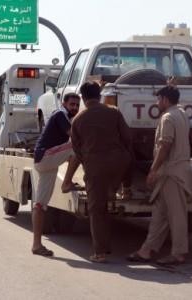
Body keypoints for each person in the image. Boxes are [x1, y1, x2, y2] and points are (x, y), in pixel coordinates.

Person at [128, 85, 192, 265]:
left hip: (171, 173)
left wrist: (153, 170)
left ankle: (178, 253)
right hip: (174, 171)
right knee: (160, 214)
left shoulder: (168, 117)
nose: (156, 102)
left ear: (165, 100)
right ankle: (147, 250)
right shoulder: (182, 113)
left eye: (158, 99)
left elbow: (165, 145)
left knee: (176, 214)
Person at [71, 81, 132, 263]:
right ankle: (126, 187)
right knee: (130, 155)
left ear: (83, 97)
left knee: (97, 209)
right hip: (119, 163)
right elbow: (128, 138)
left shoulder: (78, 120)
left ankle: (100, 252)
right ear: (99, 96)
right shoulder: (114, 111)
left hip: (95, 166)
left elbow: (77, 150)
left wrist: (90, 164)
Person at [32, 93, 81, 257]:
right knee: (77, 147)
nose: (74, 107)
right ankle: (67, 182)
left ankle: (36, 245)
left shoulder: (67, 117)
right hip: (46, 156)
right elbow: (74, 135)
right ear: (64, 103)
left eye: (77, 105)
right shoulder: (60, 114)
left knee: (40, 205)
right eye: (72, 104)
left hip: (47, 163)